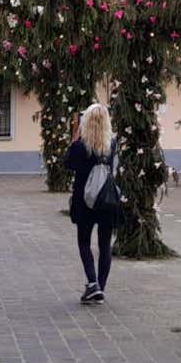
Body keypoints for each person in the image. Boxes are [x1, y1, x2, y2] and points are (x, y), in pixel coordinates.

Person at [65, 103, 118, 304]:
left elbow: (68, 164)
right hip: (106, 198)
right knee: (105, 245)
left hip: (85, 200)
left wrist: (74, 139)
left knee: (84, 242)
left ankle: (93, 283)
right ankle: (100, 289)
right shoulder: (111, 144)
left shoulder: (80, 146)